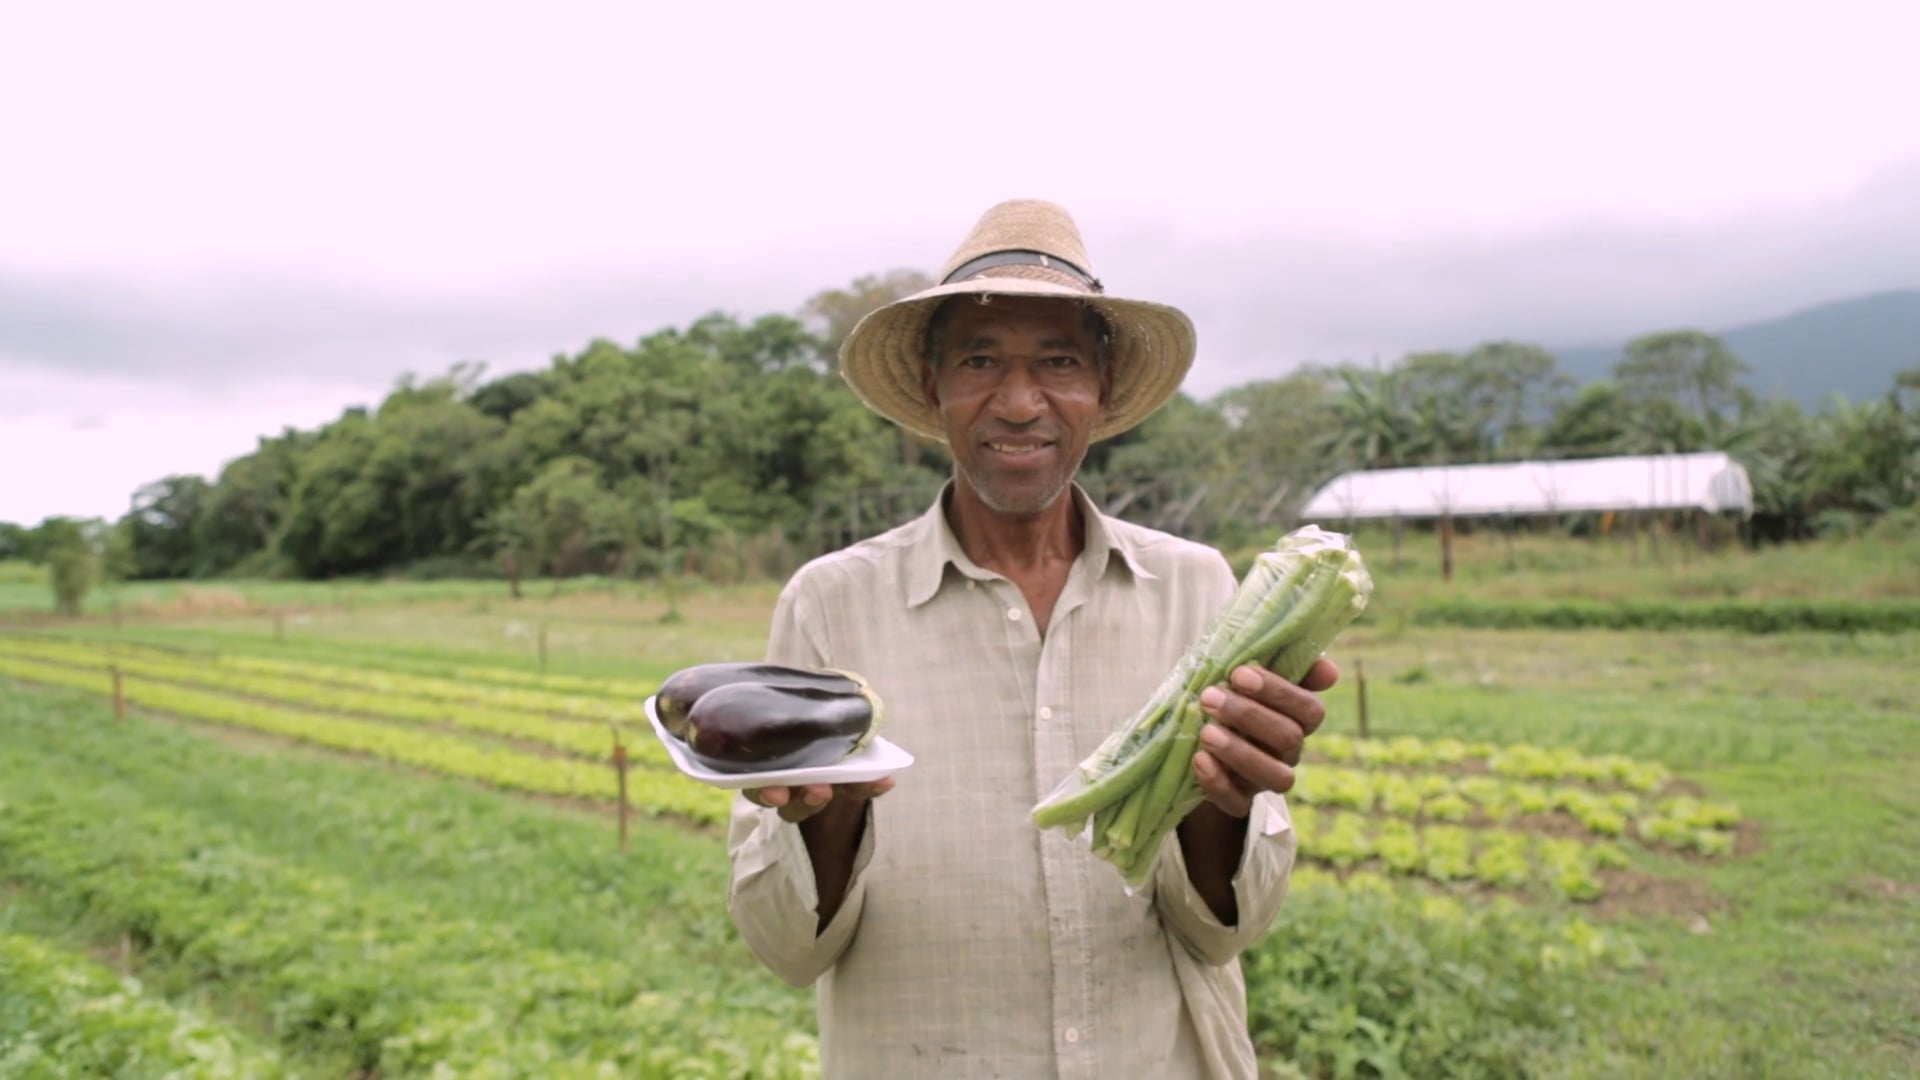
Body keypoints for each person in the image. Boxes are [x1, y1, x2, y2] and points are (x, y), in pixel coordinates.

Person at [725, 199, 1336, 1079]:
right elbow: (786, 948)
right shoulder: (831, 604)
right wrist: (834, 812)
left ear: (1103, 388)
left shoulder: (1198, 588)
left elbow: (1226, 931)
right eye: (980, 360)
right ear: (934, 388)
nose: (1019, 404)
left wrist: (1223, 800)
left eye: (1059, 361)